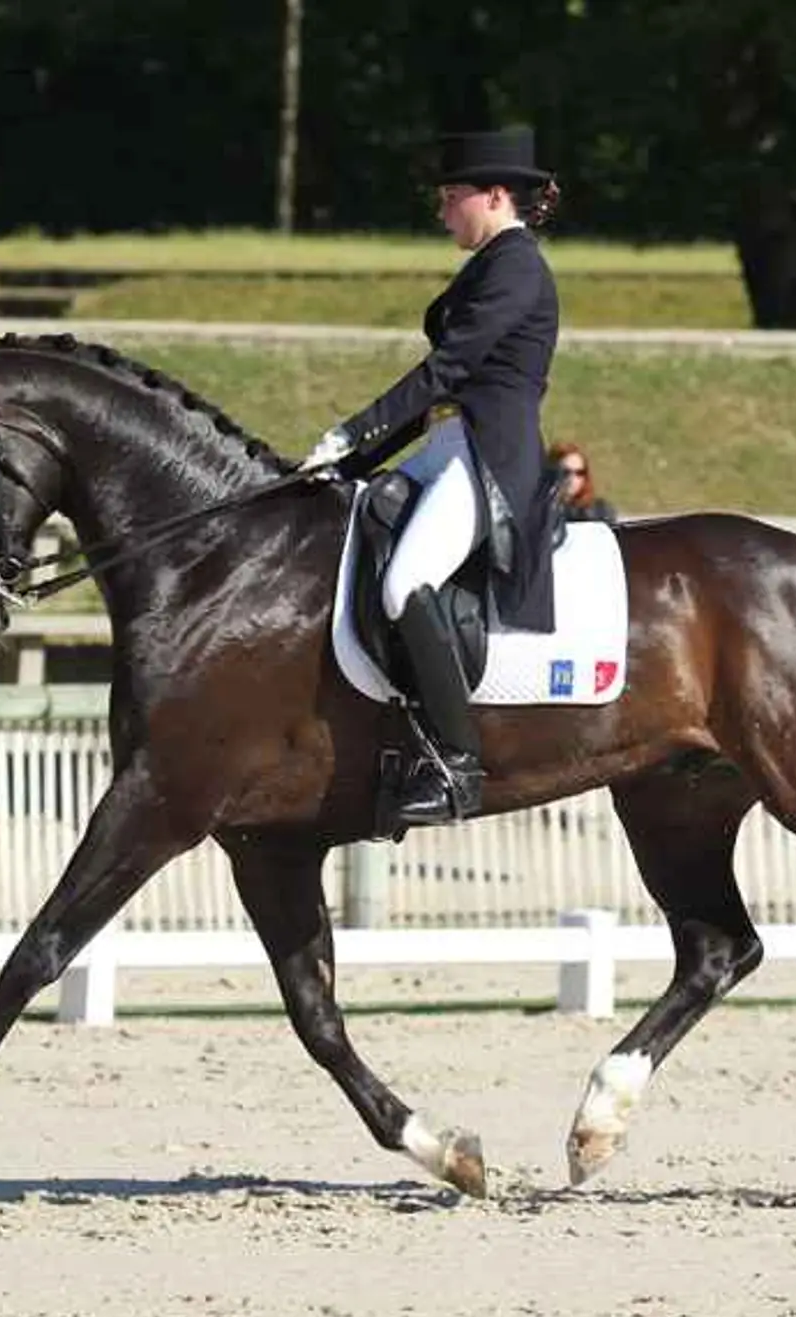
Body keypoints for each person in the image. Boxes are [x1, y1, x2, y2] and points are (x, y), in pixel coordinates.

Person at [298, 127, 564, 825]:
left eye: (453, 198)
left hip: (486, 455)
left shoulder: (517, 266)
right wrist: (347, 466)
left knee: (402, 581)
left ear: (496, 195)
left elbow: (448, 371)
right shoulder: (490, 263)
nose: (443, 212)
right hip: (446, 443)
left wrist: (353, 431)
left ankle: (457, 763)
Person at [549, 442, 617, 524]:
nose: (572, 479)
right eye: (566, 472)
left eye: (579, 473)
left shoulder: (600, 510)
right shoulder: (540, 508)